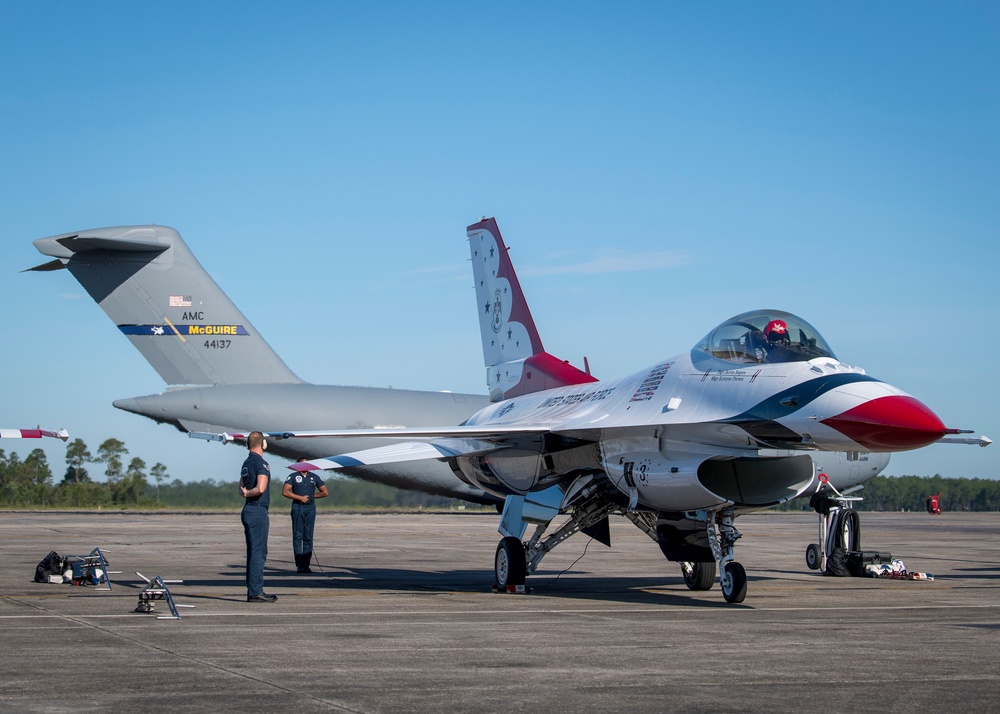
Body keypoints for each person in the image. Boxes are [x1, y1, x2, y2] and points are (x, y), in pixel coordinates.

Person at [240, 431, 276, 602]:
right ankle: (255, 592)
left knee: (253, 551)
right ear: (263, 445)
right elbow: (261, 488)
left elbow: (241, 487)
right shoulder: (262, 463)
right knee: (258, 552)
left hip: (248, 510)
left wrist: (246, 493)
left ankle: (253, 589)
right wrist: (249, 493)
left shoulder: (246, 463)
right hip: (258, 510)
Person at [282, 458, 329, 573]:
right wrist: (300, 498)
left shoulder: (314, 477)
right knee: (298, 536)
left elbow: (325, 492)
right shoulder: (293, 476)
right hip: (298, 507)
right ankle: (299, 565)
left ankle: (306, 564)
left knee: (308, 536)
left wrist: (311, 496)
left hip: (310, 508)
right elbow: (285, 491)